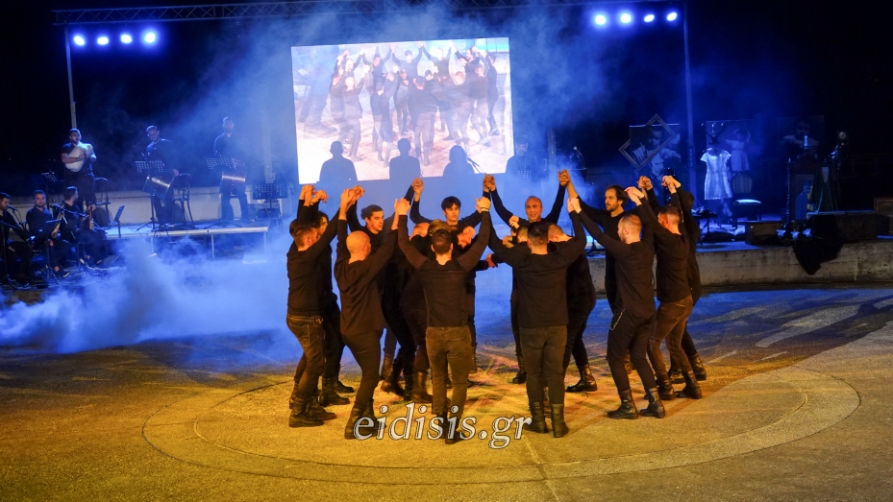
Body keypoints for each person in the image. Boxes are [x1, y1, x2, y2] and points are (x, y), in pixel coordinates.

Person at [396, 195, 492, 443]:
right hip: (458, 333)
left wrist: (402, 214)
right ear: (451, 247)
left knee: (437, 379)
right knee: (459, 383)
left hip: (433, 334)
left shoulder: (424, 268)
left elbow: (404, 244)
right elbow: (482, 240)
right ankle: (453, 428)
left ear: (431, 248)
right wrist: (484, 211)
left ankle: (441, 422)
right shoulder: (461, 267)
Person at [487, 200, 586, 438]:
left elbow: (492, 242)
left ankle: (539, 421)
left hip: (530, 326)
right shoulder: (559, 259)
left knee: (533, 374)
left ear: (529, 241)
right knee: (555, 373)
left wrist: (483, 212)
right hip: (557, 326)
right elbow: (581, 241)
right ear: (548, 241)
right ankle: (559, 423)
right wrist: (575, 213)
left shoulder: (522, 261)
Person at [577, 196, 665, 420]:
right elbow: (651, 225)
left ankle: (627, 406)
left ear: (625, 230)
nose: (616, 232)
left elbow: (598, 235)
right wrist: (640, 201)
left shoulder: (623, 251)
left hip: (627, 313)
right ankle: (656, 404)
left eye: (618, 229)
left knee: (615, 358)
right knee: (639, 357)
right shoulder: (648, 247)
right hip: (648, 312)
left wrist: (579, 212)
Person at [483, 171, 568, 384]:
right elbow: (502, 211)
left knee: (543, 330)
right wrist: (492, 191)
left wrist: (562, 187)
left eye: (535, 206)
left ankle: (543, 368)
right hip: (520, 287)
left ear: (541, 209)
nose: (532, 210)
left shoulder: (547, 225)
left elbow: (558, 206)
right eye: (529, 207)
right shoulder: (519, 226)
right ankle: (524, 368)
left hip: (544, 287)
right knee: (518, 327)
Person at [335, 189, 400, 439]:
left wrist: (344, 208)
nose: (372, 245)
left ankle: (368, 418)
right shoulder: (367, 267)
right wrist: (398, 218)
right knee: (371, 376)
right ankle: (354, 422)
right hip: (365, 332)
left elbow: (341, 239)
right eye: (369, 243)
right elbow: (387, 248)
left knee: (368, 374)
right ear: (365, 246)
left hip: (348, 330)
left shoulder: (341, 266)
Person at [630, 179, 701, 402]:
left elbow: (651, 223)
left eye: (662, 221)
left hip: (673, 303)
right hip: (684, 300)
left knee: (651, 343)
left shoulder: (670, 241)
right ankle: (693, 386)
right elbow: (676, 213)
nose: (659, 223)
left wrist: (639, 200)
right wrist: (672, 190)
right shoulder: (683, 237)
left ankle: (665, 387)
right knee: (675, 345)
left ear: (667, 222)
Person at [565, 176, 639, 388]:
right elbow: (581, 205)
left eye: (610, 198)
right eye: (605, 197)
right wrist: (568, 183)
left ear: (620, 200)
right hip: (611, 275)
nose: (606, 201)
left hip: (627, 275)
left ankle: (631, 356)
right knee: (617, 314)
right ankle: (627, 354)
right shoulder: (604, 217)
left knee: (628, 315)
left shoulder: (628, 219)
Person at [285, 188, 341, 428]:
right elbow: (327, 235)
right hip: (305, 318)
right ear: (309, 242)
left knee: (312, 360)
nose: (319, 237)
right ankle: (298, 410)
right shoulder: (307, 256)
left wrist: (309, 202)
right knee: (316, 363)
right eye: (315, 237)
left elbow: (303, 226)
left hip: (302, 315)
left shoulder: (295, 252)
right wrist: (344, 207)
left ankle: (308, 404)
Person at [53, 187, 107, 267]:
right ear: (73, 196)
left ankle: (97, 257)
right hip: (69, 234)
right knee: (92, 234)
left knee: (100, 232)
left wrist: (88, 211)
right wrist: (80, 219)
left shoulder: (75, 205)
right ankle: (96, 260)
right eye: (77, 194)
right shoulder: (62, 208)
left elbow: (80, 215)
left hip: (78, 230)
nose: (78, 196)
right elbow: (67, 225)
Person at [213, 117, 251, 222]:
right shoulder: (219, 140)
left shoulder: (240, 139)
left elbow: (246, 153)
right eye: (226, 123)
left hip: (239, 171)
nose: (228, 125)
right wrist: (229, 161)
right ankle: (226, 218)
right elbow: (216, 156)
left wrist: (238, 161)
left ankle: (245, 217)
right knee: (225, 194)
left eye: (230, 123)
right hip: (226, 171)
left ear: (233, 125)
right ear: (223, 125)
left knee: (241, 193)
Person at [26, 190, 71, 277]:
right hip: (38, 240)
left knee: (66, 245)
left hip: (49, 237)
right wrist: (47, 238)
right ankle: (56, 268)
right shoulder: (31, 213)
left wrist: (55, 232)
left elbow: (52, 225)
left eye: (42, 198)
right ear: (34, 200)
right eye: (38, 199)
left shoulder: (47, 211)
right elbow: (35, 230)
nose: (41, 200)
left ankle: (49, 263)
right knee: (49, 245)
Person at [145, 125, 179, 224]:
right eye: (150, 134)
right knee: (155, 198)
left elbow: (173, 157)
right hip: (155, 177)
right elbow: (148, 162)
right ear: (148, 136)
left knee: (168, 198)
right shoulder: (149, 147)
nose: (153, 135)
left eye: (154, 133)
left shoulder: (167, 143)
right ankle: (160, 220)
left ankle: (171, 220)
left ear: (158, 132)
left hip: (166, 175)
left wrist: (174, 168)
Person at [60, 128, 97, 214]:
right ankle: (79, 220)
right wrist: (78, 158)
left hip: (87, 177)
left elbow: (94, 158)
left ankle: (92, 220)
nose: (77, 137)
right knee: (77, 201)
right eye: (74, 135)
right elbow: (64, 159)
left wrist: (88, 156)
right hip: (74, 178)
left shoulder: (86, 146)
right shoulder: (66, 147)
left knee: (90, 200)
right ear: (70, 137)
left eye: (78, 135)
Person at [0, 193, 31, 284]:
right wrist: (7, 246)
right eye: (5, 202)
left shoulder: (7, 215)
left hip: (6, 242)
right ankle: (5, 277)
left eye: (8, 202)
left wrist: (27, 238)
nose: (7, 204)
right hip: (1, 244)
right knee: (11, 254)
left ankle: (20, 274)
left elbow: (16, 227)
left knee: (26, 248)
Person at [408, 77, 437, 166]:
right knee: (426, 138)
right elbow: (433, 105)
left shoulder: (412, 94)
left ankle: (419, 156)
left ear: (416, 83)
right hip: (427, 117)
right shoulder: (428, 93)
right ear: (423, 83)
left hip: (417, 118)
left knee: (416, 137)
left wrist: (411, 120)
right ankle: (426, 159)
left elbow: (410, 108)